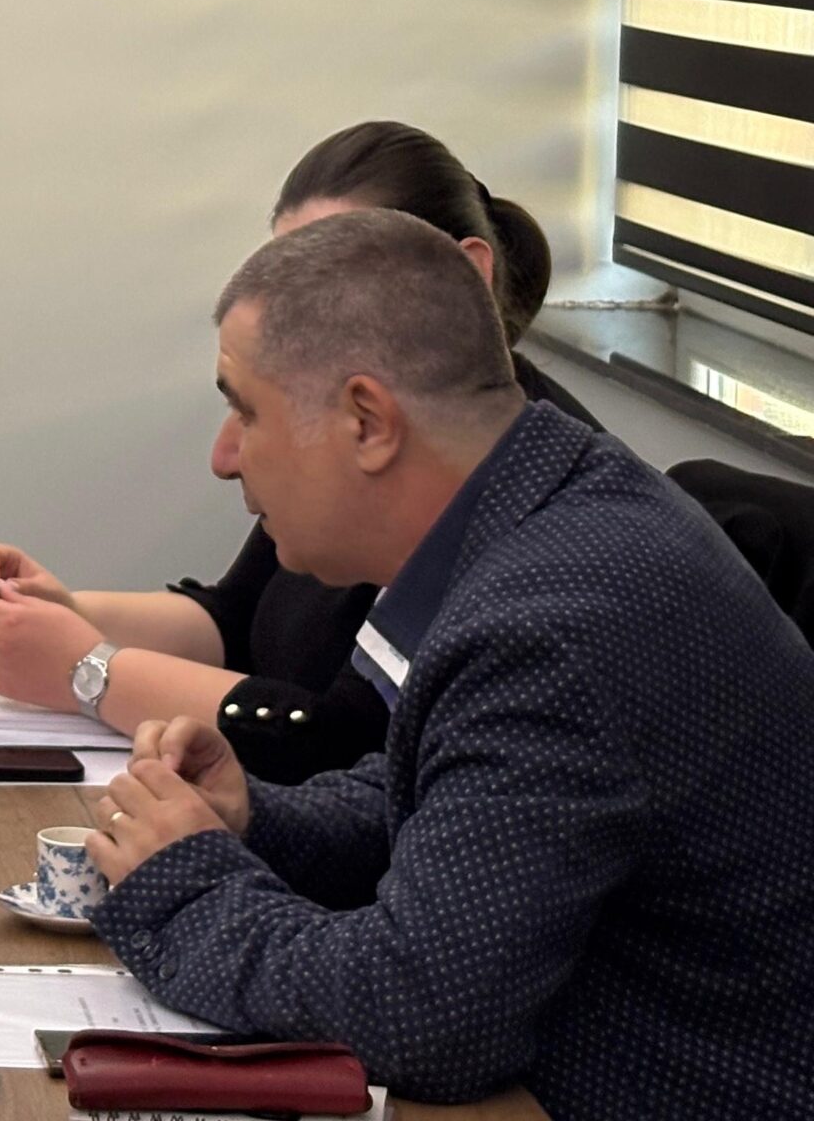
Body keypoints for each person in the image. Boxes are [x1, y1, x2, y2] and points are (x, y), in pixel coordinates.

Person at [85, 209, 814, 1118]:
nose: (223, 457)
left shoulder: (554, 623)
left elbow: (421, 1015)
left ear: (367, 421)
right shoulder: (551, 508)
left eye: (245, 410)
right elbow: (450, 811)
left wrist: (184, 885)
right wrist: (255, 821)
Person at [0, 122, 601, 780]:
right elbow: (240, 619)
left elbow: (354, 746)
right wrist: (61, 617)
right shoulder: (328, 445)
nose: (226, 458)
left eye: (324, 282)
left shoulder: (521, 498)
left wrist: (88, 671)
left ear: (461, 275)